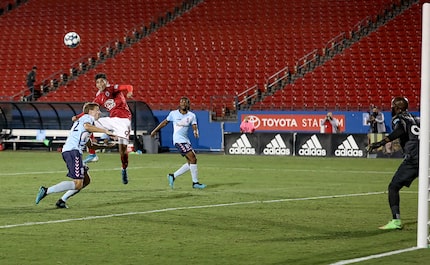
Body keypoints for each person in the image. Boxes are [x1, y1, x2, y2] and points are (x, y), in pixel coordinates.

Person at [35, 102, 116, 208]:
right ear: (90, 111)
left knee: (86, 181)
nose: (99, 112)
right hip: (73, 152)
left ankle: (61, 201)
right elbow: (87, 126)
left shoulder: (84, 122)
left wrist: (106, 146)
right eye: (97, 110)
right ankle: (46, 190)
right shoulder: (87, 119)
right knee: (78, 184)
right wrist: (105, 131)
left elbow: (90, 145)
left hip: (72, 151)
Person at [368, 97, 419, 230]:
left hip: (413, 159)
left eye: (392, 107)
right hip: (425, 156)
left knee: (393, 187)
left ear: (397, 108)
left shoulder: (398, 118)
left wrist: (381, 142)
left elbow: (400, 130)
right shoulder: (415, 118)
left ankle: (396, 221)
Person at [73, 73, 133, 184]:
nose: (100, 84)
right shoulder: (99, 97)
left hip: (124, 121)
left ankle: (124, 169)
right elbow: (89, 111)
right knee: (88, 122)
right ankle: (92, 153)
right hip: (111, 120)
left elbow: (128, 86)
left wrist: (129, 92)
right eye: (97, 82)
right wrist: (77, 117)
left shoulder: (112, 89)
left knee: (123, 151)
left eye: (102, 81)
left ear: (106, 81)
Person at [150, 97, 206, 189]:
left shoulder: (192, 115)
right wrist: (155, 130)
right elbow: (165, 122)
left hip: (186, 140)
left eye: (185, 102)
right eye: (181, 102)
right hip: (178, 140)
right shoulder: (173, 114)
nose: (183, 103)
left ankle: (173, 176)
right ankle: (195, 183)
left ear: (188, 104)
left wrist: (196, 131)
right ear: (179, 104)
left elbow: (194, 125)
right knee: (193, 158)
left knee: (191, 162)